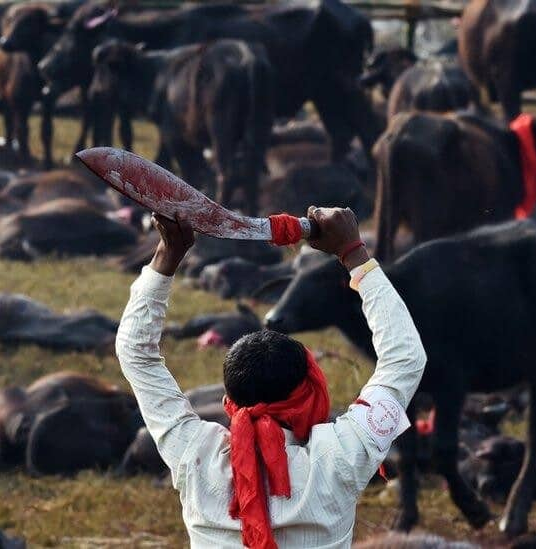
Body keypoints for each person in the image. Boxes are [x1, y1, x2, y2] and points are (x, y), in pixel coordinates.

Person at [116, 206, 426, 548]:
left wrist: (166, 255)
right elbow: (405, 358)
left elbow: (136, 353)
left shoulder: (195, 453)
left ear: (228, 404)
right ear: (310, 392)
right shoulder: (341, 454)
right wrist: (354, 254)